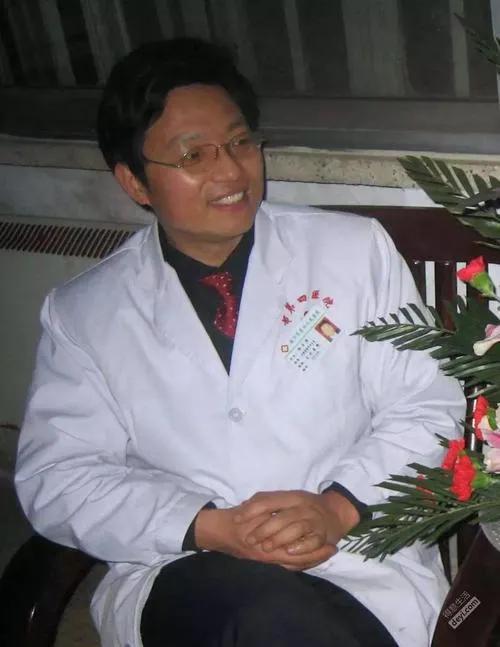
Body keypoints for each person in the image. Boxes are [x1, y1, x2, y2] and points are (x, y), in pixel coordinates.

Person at [15, 38, 465, 647]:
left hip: (353, 552)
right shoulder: (84, 312)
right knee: (260, 614)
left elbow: (427, 406)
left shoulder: (352, 251)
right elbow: (60, 477)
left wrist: (335, 508)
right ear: (135, 181)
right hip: (188, 567)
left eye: (239, 143)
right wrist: (208, 527)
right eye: (193, 155)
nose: (230, 171)